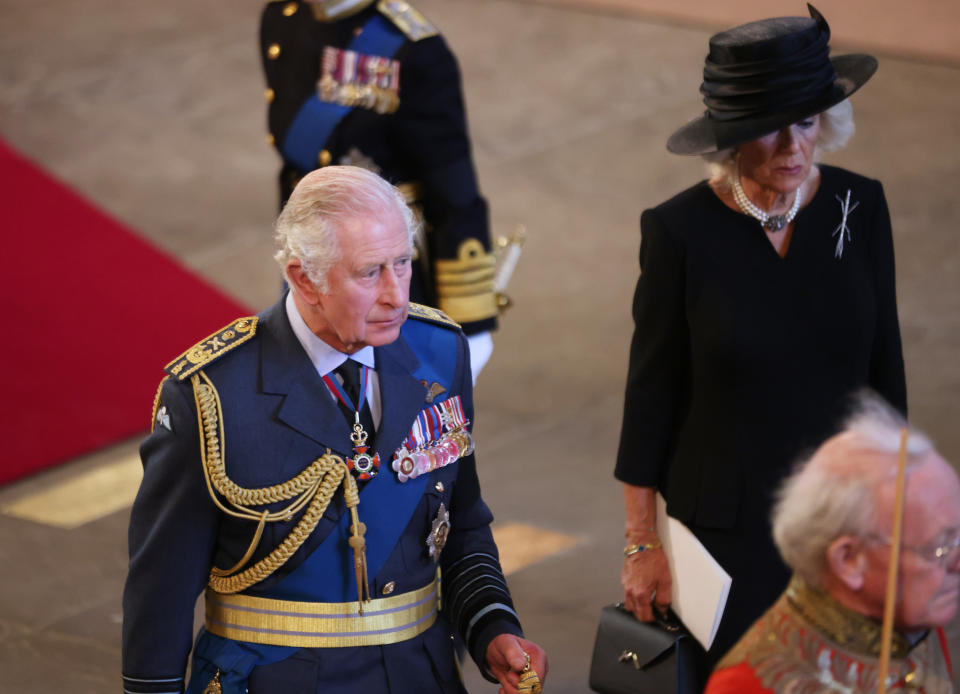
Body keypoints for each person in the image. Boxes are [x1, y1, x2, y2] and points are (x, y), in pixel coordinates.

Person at [121, 166, 546, 694]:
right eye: (370, 273)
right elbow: (161, 591)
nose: (395, 293)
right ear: (305, 279)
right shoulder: (212, 394)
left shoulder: (439, 351)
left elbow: (461, 523)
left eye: (403, 263)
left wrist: (491, 627)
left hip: (421, 674)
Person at [615, 5, 907, 669]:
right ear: (731, 138)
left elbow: (885, 378)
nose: (792, 147)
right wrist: (641, 545)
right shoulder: (679, 234)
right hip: (721, 539)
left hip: (840, 526)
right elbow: (650, 397)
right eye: (769, 130)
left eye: (805, 123)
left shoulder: (859, 209)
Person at [259, 0, 498, 379]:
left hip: (380, 263)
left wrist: (472, 316)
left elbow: (454, 191)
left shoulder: (414, 51)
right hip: (312, 246)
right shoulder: (284, 17)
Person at [704, 394, 958, 693]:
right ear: (849, 560)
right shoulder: (744, 685)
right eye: (938, 548)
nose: (956, 560)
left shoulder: (913, 614)